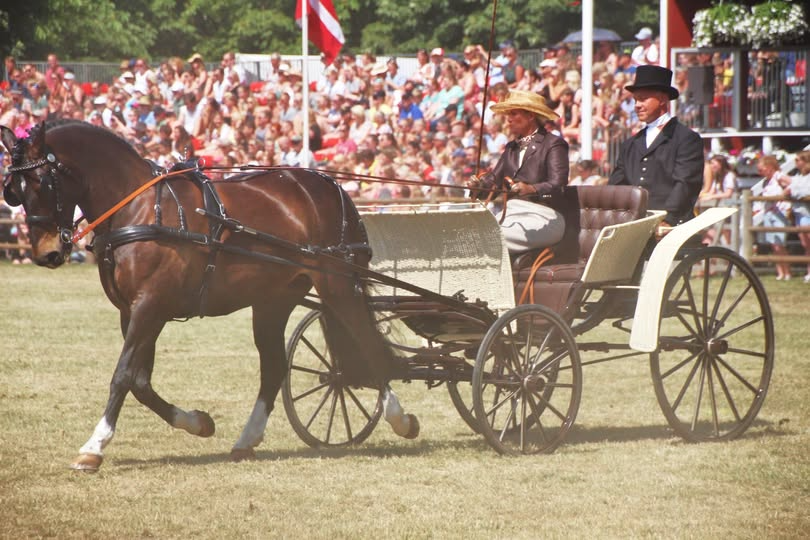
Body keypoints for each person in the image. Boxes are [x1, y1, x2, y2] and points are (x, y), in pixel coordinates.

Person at [465, 90, 567, 253]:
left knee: (488, 237)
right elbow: (493, 183)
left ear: (531, 116)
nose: (508, 119)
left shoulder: (553, 144)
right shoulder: (511, 148)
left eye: (513, 113)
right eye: (507, 114)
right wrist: (478, 186)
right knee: (469, 235)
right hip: (511, 215)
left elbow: (558, 188)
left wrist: (532, 189)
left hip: (545, 216)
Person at [608, 65, 704, 232]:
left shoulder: (686, 139)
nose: (637, 105)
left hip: (672, 224)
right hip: (634, 223)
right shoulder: (630, 144)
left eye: (643, 99)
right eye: (636, 100)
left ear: (662, 99)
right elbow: (616, 185)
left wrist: (669, 219)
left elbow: (686, 183)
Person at [753, 155, 792, 280]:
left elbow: (792, 185)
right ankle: (780, 272)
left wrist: (783, 195)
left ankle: (787, 272)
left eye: (762, 169)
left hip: (779, 212)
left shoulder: (779, 176)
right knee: (774, 244)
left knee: (780, 244)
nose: (760, 172)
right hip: (769, 213)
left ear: (769, 167)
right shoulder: (765, 181)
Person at [784, 150, 810, 282]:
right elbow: (792, 188)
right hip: (798, 212)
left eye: (798, 160)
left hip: (807, 212)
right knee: (805, 244)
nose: (796, 163)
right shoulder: (799, 176)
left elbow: (805, 192)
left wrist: (793, 192)